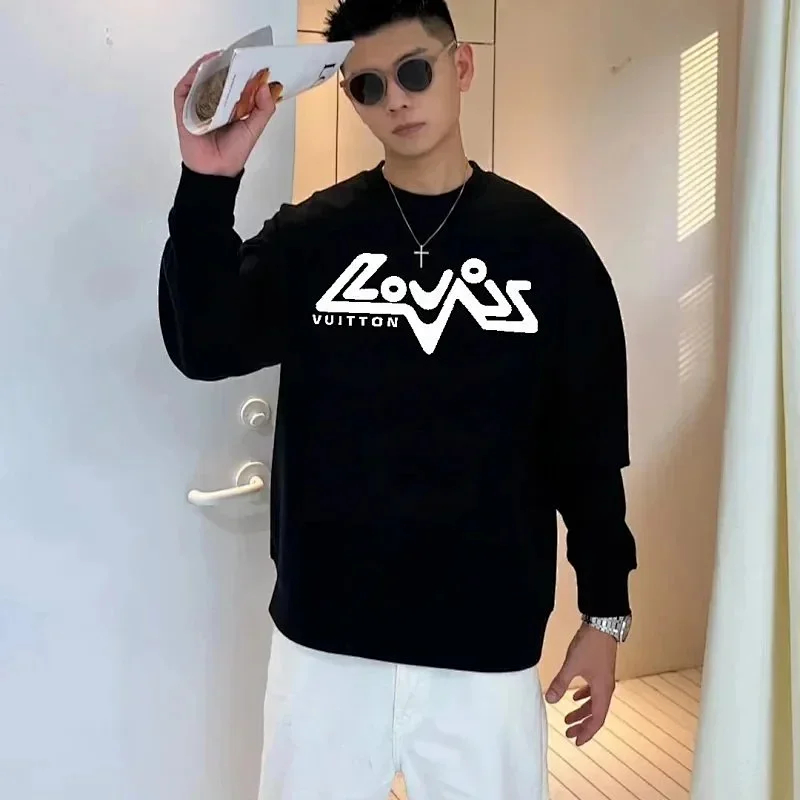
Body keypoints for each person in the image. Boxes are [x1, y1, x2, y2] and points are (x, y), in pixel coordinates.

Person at [159, 0, 637, 797]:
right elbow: (204, 344)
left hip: (485, 647)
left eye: (414, 72)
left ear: (461, 66)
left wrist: (605, 612)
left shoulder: (550, 251)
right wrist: (208, 184)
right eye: (369, 86)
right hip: (326, 645)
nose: (397, 100)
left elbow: (585, 448)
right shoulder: (314, 239)